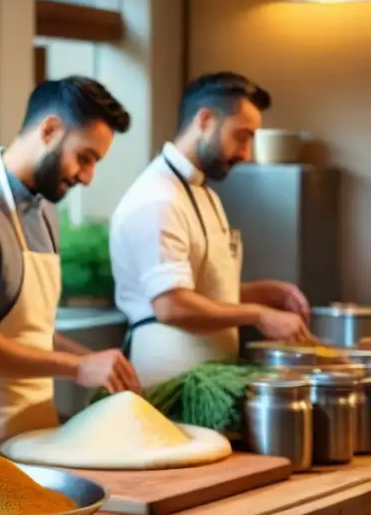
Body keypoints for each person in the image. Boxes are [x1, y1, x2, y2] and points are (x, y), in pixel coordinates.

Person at [0, 76, 140, 449]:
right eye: (84, 158)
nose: (87, 176)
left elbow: (24, 334)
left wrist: (95, 360)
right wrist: (78, 368)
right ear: (50, 129)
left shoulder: (44, 211)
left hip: (31, 430)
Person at [109, 72, 314, 389]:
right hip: (171, 381)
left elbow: (199, 291)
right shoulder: (156, 198)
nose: (246, 154)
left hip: (210, 375)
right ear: (204, 120)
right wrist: (258, 315)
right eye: (242, 136)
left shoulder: (203, 193)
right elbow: (172, 305)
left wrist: (264, 292)